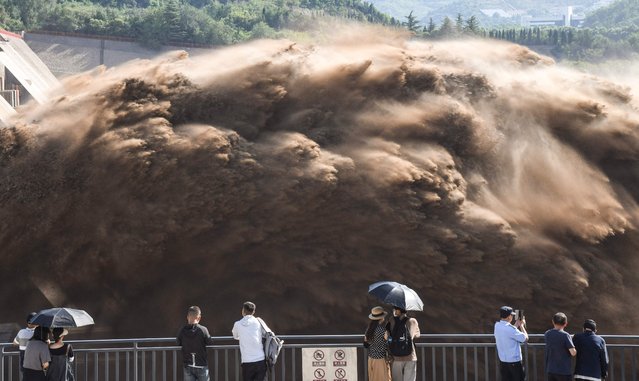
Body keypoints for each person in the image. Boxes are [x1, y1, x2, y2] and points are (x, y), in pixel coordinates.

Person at [232, 301, 270, 381]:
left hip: (247, 361)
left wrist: (243, 337)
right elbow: (265, 334)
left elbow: (235, 336)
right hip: (260, 359)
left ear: (243, 311)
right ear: (253, 312)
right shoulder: (258, 322)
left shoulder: (237, 324)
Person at [176, 306, 214, 381]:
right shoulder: (203, 330)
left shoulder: (182, 330)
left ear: (187, 317)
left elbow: (178, 342)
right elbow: (209, 342)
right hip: (201, 365)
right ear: (199, 318)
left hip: (188, 365)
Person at [385, 306, 420, 381]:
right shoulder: (412, 321)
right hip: (410, 355)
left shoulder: (391, 320)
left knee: (397, 379)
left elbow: (387, 335)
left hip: (396, 356)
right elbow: (417, 335)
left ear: (397, 311)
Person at [494, 306, 528, 381]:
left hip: (503, 362)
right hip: (514, 362)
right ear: (509, 317)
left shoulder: (497, 326)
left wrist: (516, 324)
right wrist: (522, 326)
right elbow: (525, 338)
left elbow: (508, 333)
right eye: (512, 315)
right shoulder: (510, 329)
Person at [544, 312, 576, 381]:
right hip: (563, 371)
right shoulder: (565, 335)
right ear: (565, 323)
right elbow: (573, 353)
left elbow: (557, 339)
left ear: (553, 322)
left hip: (551, 370)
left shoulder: (547, 334)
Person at [364, 306, 391, 381]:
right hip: (380, 359)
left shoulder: (369, 329)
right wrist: (389, 331)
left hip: (371, 358)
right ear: (381, 318)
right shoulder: (382, 330)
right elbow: (389, 341)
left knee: (373, 378)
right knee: (383, 378)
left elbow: (365, 344)